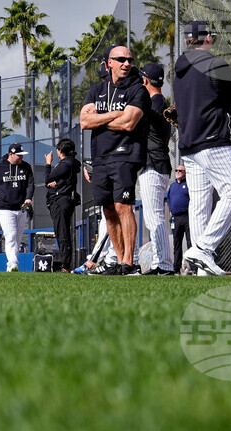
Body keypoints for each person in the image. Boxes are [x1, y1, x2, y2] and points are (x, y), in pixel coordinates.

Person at [175, 20, 231, 276]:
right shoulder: (214, 62)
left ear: (185, 41)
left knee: (199, 204)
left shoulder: (178, 72)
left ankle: (199, 266)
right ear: (208, 38)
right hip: (213, 139)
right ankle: (203, 249)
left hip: (189, 145)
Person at [79, 45, 151, 275]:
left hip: (126, 154)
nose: (126, 63)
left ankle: (129, 263)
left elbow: (128, 123)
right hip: (100, 157)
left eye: (129, 59)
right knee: (108, 209)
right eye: (120, 59)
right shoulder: (97, 90)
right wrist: (113, 114)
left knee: (123, 206)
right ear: (108, 62)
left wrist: (97, 118)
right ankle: (119, 261)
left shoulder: (138, 90)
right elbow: (84, 122)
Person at [137, 62, 175, 275]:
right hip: (156, 163)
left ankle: (164, 264)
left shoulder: (155, 103)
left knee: (155, 216)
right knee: (154, 215)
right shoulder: (159, 102)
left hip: (154, 164)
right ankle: (160, 263)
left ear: (145, 81)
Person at [0, 143, 35, 272]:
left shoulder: (26, 167)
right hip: (5, 208)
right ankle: (13, 263)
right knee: (10, 235)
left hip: (22, 207)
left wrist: (29, 198)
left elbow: (30, 184)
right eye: (19, 155)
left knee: (18, 238)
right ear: (10, 154)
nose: (21, 158)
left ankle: (11, 266)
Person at [44, 138, 81, 271]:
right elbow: (53, 182)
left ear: (60, 151)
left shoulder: (65, 164)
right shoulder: (69, 164)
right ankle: (66, 263)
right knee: (62, 231)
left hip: (61, 201)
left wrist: (48, 164)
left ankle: (66, 265)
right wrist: (56, 183)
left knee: (62, 232)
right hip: (65, 199)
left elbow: (48, 179)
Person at [168, 163, 191, 274]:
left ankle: (193, 268)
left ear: (185, 173)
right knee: (177, 243)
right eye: (176, 170)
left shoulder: (188, 184)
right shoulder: (172, 186)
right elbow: (169, 198)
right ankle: (176, 268)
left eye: (180, 170)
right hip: (176, 218)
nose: (177, 172)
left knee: (190, 242)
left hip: (187, 217)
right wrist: (171, 209)